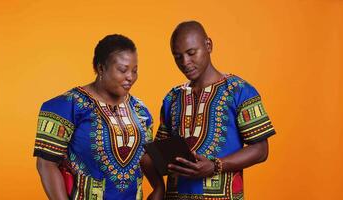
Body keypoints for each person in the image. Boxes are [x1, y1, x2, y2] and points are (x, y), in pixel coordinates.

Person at [154, 21, 276, 199]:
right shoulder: (172, 98)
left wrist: (216, 165)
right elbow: (160, 155)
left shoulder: (239, 90)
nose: (185, 62)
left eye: (191, 53)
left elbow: (261, 150)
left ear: (208, 45)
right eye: (178, 56)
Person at [33, 34, 163, 200]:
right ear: (101, 68)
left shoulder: (140, 110)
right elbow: (46, 164)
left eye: (134, 70)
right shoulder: (67, 106)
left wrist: (159, 187)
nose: (130, 77)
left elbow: (145, 154)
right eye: (123, 70)